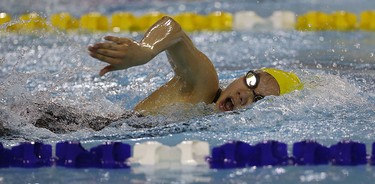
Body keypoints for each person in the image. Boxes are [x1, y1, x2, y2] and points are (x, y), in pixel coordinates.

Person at [88, 16, 303, 115]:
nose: (244, 94)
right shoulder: (206, 84)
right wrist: (146, 50)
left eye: (259, 100)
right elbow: (173, 28)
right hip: (89, 126)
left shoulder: (208, 116)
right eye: (251, 81)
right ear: (242, 76)